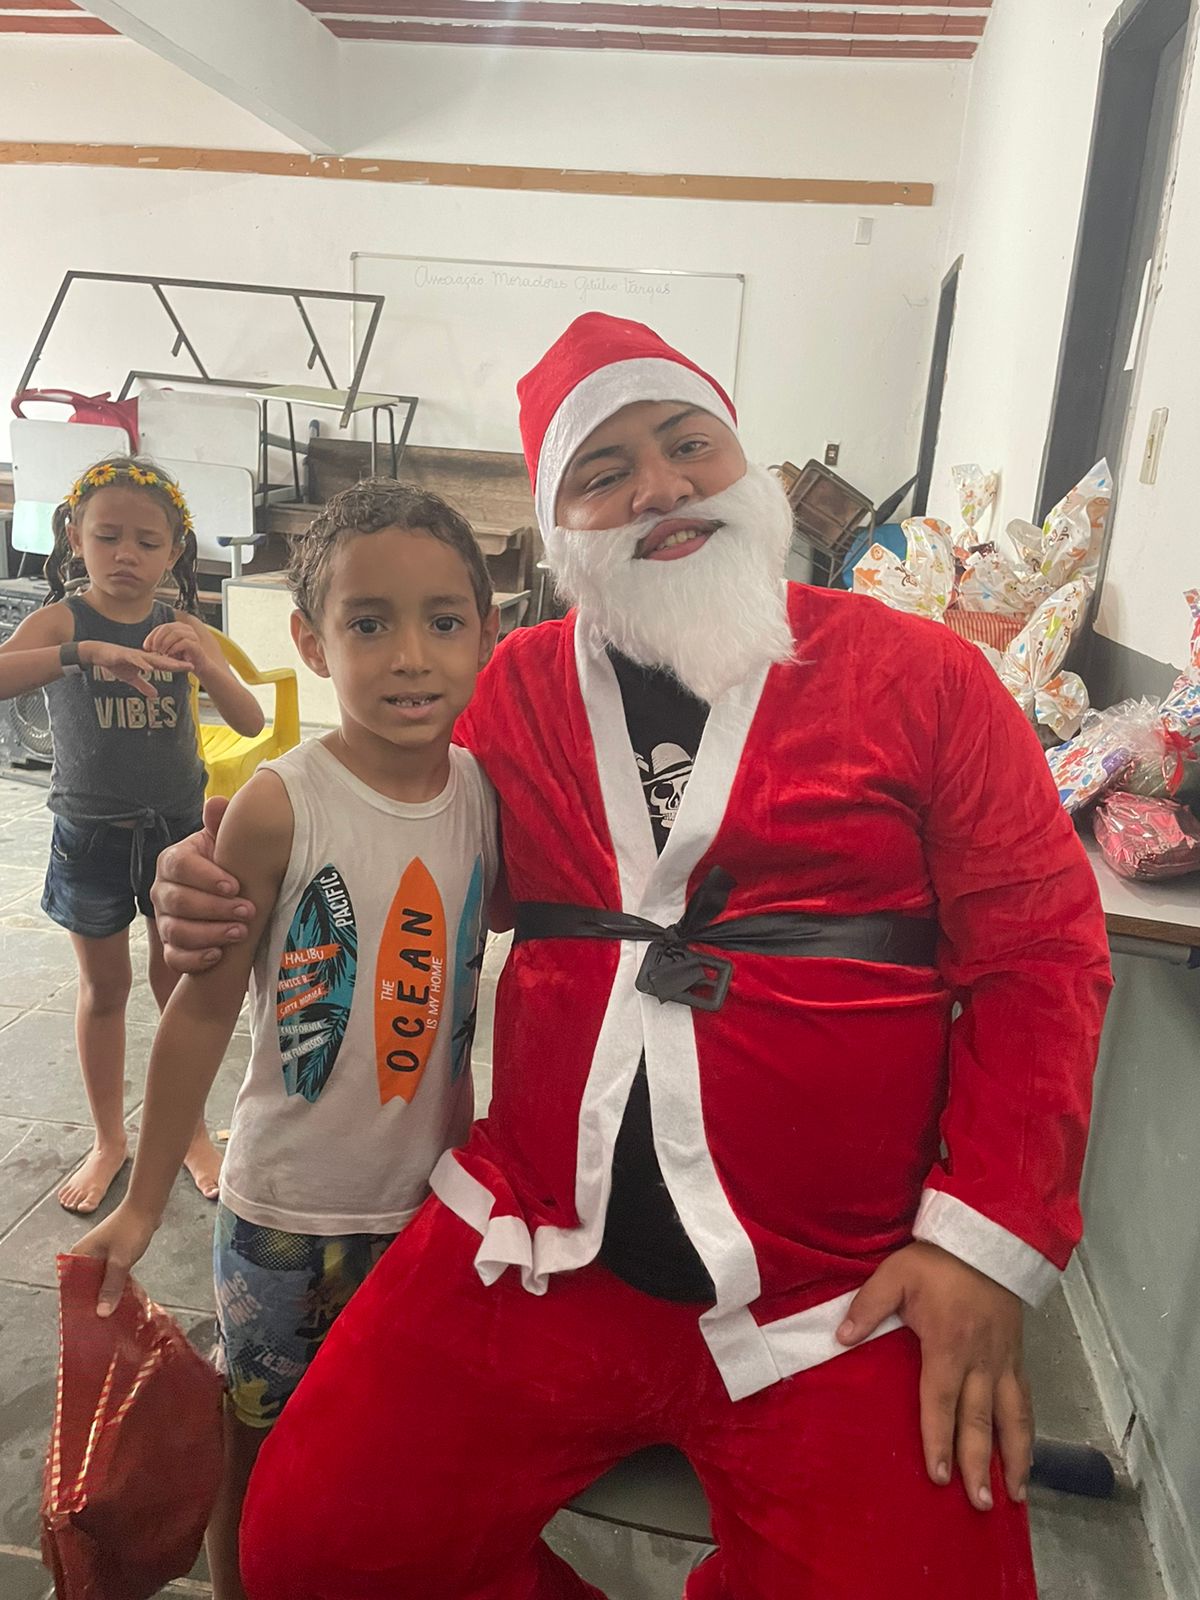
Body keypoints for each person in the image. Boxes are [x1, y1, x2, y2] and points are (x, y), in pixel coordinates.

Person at [151, 315, 1112, 1600]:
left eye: (687, 444)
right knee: (315, 1548)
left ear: (747, 468)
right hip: (539, 1236)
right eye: (603, 472)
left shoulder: (922, 679)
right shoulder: (510, 691)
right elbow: (372, 830)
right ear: (563, 533)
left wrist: (981, 1244)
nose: (659, 487)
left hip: (839, 1287)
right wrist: (216, 882)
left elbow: (1041, 956)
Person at [74, 480, 500, 1600]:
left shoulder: (484, 799)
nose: (410, 657)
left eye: (443, 621)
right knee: (255, 1427)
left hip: (420, 1207)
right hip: (281, 1215)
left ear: (487, 631)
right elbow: (200, 1012)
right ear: (312, 642)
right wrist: (145, 1199)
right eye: (370, 623)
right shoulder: (281, 804)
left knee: (384, 1427)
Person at [0, 456, 262, 1212]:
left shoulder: (179, 628)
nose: (125, 555)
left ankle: (189, 1131)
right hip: (91, 836)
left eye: (147, 542)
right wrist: (82, 655)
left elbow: (250, 721)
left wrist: (207, 662)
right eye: (107, 536)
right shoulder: (66, 620)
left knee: (178, 985)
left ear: (174, 551)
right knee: (105, 988)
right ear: (75, 539)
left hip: (177, 836)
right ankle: (109, 1138)